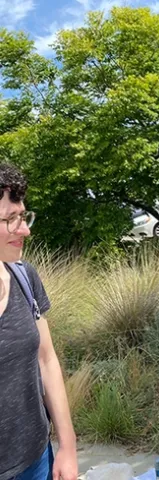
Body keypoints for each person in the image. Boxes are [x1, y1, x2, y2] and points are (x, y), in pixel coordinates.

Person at [0, 164, 78, 480]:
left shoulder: (24, 276)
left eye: (24, 217)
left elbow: (46, 360)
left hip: (36, 460)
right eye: (9, 220)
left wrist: (68, 446)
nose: (25, 230)